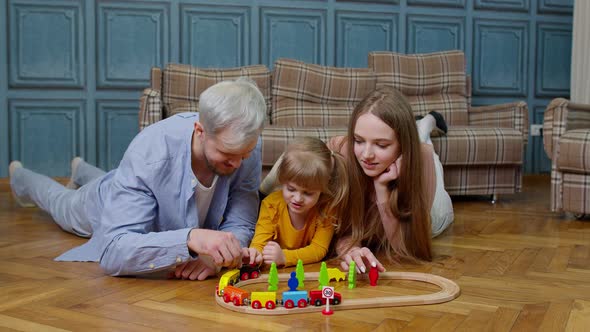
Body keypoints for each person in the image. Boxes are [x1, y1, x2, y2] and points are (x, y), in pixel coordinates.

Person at [9, 78, 267, 280]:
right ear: (200, 131)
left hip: (132, 184)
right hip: (104, 199)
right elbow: (113, 250)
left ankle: (82, 170)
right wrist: (189, 240)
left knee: (115, 180)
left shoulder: (246, 149)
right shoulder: (149, 152)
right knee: (62, 203)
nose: (238, 164)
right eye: (226, 154)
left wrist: (216, 256)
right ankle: (20, 178)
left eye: (244, 154)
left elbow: (241, 222)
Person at [331, 86, 454, 274]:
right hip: (408, 149)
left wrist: (382, 189)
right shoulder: (341, 150)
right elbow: (338, 229)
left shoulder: (420, 158)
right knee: (418, 144)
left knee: (427, 151)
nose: (366, 155)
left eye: (381, 145)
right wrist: (351, 249)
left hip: (432, 214)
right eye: (359, 140)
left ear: (403, 146)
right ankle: (420, 125)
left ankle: (428, 122)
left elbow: (411, 250)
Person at [243, 137, 349, 268]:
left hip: (310, 271)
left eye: (308, 193)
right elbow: (259, 243)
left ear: (323, 188)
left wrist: (284, 257)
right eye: (291, 189)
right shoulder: (270, 205)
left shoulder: (327, 208)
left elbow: (319, 249)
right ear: (282, 181)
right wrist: (255, 254)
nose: (298, 198)